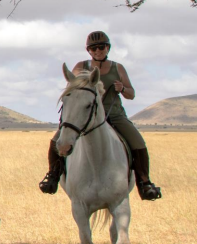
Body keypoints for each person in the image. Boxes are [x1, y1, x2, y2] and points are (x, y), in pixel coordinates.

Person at [39, 31, 162, 200]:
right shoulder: (81, 66)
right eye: (93, 48)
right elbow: (72, 89)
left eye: (101, 47)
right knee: (56, 141)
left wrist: (123, 89)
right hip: (85, 115)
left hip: (114, 114)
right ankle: (53, 175)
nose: (98, 51)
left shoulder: (117, 68)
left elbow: (131, 94)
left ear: (108, 48)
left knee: (138, 142)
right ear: (88, 50)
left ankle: (145, 183)